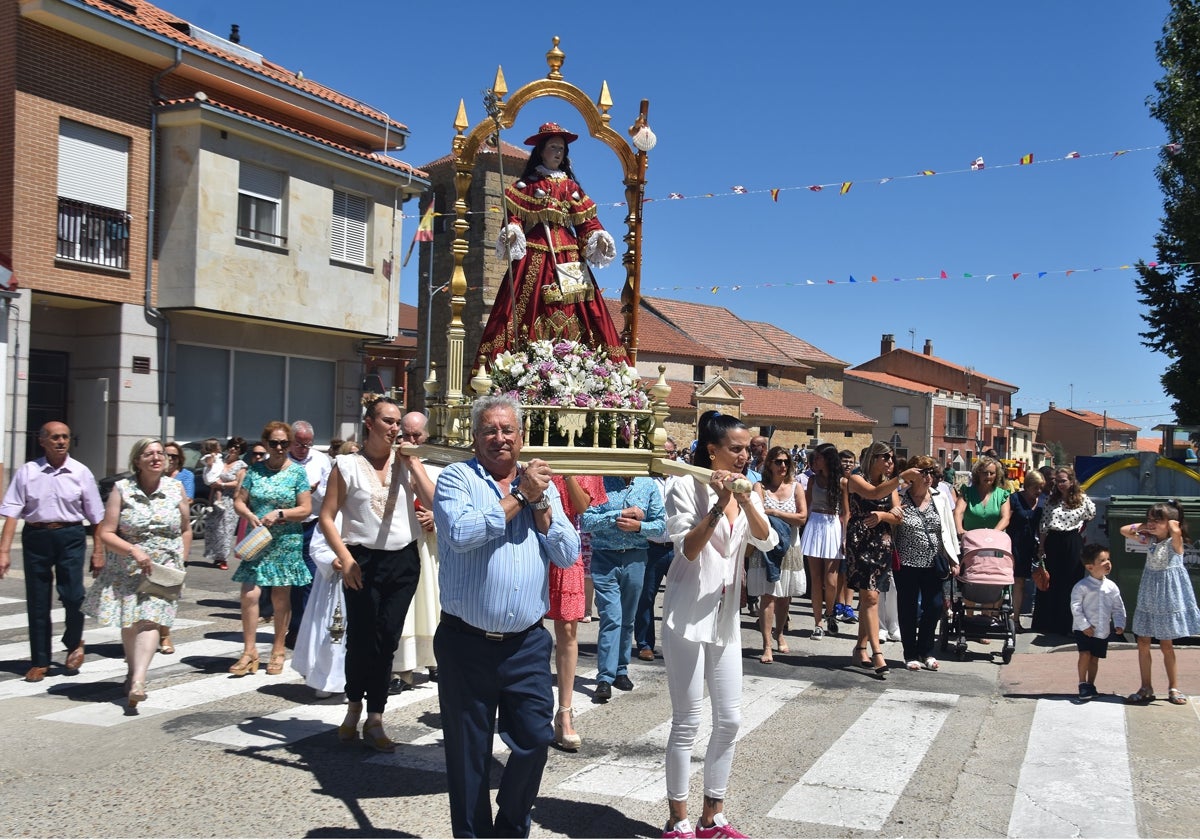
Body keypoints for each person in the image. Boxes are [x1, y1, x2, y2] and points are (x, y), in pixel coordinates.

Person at [432, 394, 579, 838]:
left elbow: (568, 552)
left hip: (526, 643)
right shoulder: (456, 479)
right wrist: (520, 495)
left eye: (507, 430)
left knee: (536, 738)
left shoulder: (540, 485)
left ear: (520, 436)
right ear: (475, 437)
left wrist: (539, 505)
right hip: (466, 642)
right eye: (490, 430)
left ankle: (511, 825)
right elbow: (462, 533)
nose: (500, 438)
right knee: (469, 755)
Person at [660, 410, 777, 840]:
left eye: (748, 448)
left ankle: (714, 816)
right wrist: (716, 504)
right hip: (687, 614)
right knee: (687, 721)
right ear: (712, 450)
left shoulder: (750, 489)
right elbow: (688, 550)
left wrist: (744, 499)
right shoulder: (683, 485)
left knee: (729, 719)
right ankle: (678, 820)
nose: (747, 455)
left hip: (725, 617)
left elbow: (767, 539)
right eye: (737, 448)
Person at [319, 398, 433, 750]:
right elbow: (327, 517)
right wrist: (344, 558)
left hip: (402, 561)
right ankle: (354, 706)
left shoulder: (409, 463)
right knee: (362, 637)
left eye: (398, 422)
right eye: (388, 421)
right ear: (370, 423)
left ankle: (376, 717)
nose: (395, 428)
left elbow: (433, 501)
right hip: (362, 560)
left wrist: (412, 463)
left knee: (388, 637)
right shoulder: (347, 465)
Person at [476, 122, 625, 363]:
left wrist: (599, 239)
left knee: (581, 306)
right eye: (553, 147)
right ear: (541, 151)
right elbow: (513, 218)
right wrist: (512, 231)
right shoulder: (525, 186)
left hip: (570, 256)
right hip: (535, 253)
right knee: (525, 305)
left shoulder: (571, 187)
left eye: (562, 149)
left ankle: (580, 359)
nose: (558, 152)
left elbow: (587, 222)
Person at [84, 439, 191, 708]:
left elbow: (186, 528)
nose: (156, 458)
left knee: (151, 620)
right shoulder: (122, 489)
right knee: (131, 622)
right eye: (149, 454)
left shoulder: (175, 488)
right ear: (137, 461)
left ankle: (139, 680)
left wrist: (182, 561)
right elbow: (107, 532)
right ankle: (133, 670)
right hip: (128, 568)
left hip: (163, 570)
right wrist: (133, 550)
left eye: (160, 454)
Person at [0, 421, 105, 681]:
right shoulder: (28, 472)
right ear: (42, 440)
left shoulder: (81, 472)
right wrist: (3, 552)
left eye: (65, 437)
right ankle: (40, 661)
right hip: (36, 536)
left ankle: (73, 641)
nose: (61, 442)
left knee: (73, 595)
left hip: (70, 535)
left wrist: (99, 551)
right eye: (55, 437)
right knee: (37, 600)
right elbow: (12, 512)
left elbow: (96, 517)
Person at [230, 421, 313, 676]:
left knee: (280, 598)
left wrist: (280, 513)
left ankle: (278, 649)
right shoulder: (254, 471)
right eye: (274, 443)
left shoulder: (297, 473)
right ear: (265, 444)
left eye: (284, 443)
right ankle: (249, 651)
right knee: (250, 594)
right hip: (259, 539)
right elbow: (239, 502)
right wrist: (250, 515)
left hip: (285, 540)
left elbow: (305, 509)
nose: (279, 448)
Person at [581, 474, 666, 701]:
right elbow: (587, 521)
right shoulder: (599, 482)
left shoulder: (648, 485)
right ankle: (605, 678)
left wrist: (639, 526)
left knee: (628, 618)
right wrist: (617, 515)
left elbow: (659, 525)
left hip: (635, 558)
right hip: (605, 558)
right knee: (612, 617)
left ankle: (621, 669)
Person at [844, 442, 920, 679]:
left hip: (882, 541)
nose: (889, 461)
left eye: (891, 458)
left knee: (870, 597)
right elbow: (873, 493)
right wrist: (900, 479)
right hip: (861, 540)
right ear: (873, 458)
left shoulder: (890, 485)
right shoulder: (856, 478)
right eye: (885, 457)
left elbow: (899, 516)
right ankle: (877, 652)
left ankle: (860, 647)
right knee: (870, 596)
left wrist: (882, 515)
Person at [545, 472, 605, 749]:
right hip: (530, 537)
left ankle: (564, 713)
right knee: (522, 624)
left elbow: (583, 506)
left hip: (565, 542)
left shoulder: (585, 464)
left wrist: (568, 472)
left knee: (568, 628)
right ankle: (523, 704)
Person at [1119, 501, 1200, 705]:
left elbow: (1177, 534)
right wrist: (1145, 526)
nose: (1152, 523)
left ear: (1171, 523)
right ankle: (1146, 686)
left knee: (1166, 644)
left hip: (1167, 596)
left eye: (1158, 520)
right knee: (1143, 641)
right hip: (1149, 593)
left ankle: (1173, 687)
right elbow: (1124, 530)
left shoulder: (1175, 542)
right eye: (1150, 519)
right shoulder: (1150, 540)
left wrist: (1174, 526)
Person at [390, 411, 443, 694]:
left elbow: (449, 508)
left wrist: (435, 518)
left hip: (429, 548)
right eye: (406, 435)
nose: (410, 440)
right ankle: (402, 670)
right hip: (401, 545)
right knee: (405, 609)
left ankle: (435, 660)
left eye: (416, 435)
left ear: (427, 435)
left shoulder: (438, 467)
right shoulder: (390, 466)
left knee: (431, 605)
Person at [892, 455, 960, 671]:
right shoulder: (900, 497)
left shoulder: (940, 497)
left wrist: (953, 558)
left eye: (932, 472)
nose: (929, 477)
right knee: (908, 609)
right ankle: (910, 653)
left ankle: (926, 650)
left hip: (933, 563)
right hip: (907, 563)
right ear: (913, 475)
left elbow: (948, 530)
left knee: (935, 606)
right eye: (924, 472)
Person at [748, 446, 808, 663]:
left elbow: (802, 518)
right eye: (778, 462)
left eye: (786, 462)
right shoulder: (760, 487)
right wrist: (779, 516)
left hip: (790, 545)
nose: (782, 465)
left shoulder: (796, 487)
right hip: (767, 546)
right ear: (769, 464)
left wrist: (774, 512)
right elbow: (756, 514)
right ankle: (766, 645)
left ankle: (780, 633)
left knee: (785, 597)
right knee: (768, 595)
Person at [1031, 466, 1095, 637]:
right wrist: (1042, 547)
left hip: (1072, 541)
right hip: (1053, 541)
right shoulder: (1051, 500)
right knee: (1051, 583)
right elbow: (1044, 525)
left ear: (1072, 481)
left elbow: (1091, 515)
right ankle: (1048, 623)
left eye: (1063, 481)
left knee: (1071, 583)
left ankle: (1068, 624)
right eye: (1057, 481)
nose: (1059, 484)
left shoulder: (1082, 499)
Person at [286, 419, 333, 649]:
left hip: (312, 525)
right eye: (299, 444)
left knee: (310, 579)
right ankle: (293, 627)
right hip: (287, 527)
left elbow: (329, 492)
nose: (303, 449)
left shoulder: (321, 460)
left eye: (307, 444)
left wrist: (313, 492)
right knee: (290, 583)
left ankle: (303, 629)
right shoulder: (281, 460)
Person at [635, 438, 678, 662]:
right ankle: (645, 643)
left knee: (680, 596)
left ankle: (677, 642)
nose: (668, 458)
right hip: (651, 546)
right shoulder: (644, 480)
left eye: (672, 453)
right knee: (646, 597)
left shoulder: (682, 479)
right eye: (664, 453)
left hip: (677, 546)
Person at [1069, 544, 1127, 701]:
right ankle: (1082, 683)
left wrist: (1119, 623)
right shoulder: (1082, 586)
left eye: (1108, 559)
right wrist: (1084, 625)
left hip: (1102, 630)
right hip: (1084, 629)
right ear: (1090, 567)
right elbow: (1076, 608)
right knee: (1085, 654)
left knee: (1094, 658)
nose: (1107, 563)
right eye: (1102, 561)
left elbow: (1118, 607)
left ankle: (1091, 684)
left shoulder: (1111, 587)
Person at [800, 443, 845, 640]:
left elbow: (846, 512)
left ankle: (830, 613)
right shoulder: (812, 481)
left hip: (833, 525)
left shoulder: (842, 482)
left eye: (818, 457)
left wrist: (844, 536)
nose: (814, 461)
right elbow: (807, 506)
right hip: (815, 524)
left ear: (827, 459)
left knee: (831, 580)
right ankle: (817, 622)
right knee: (816, 579)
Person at [1004, 470, 1046, 631]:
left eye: (1041, 488)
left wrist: (1041, 546)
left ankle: (1015, 618)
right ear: (1027, 486)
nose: (1039, 491)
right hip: (1012, 544)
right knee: (1005, 581)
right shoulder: (1015, 499)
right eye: (1036, 487)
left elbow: (1042, 527)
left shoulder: (1041, 502)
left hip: (1028, 546)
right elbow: (1007, 519)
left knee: (1020, 582)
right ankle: (998, 615)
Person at [203, 436, 246, 571]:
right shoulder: (221, 460)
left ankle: (224, 558)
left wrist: (222, 484)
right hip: (215, 498)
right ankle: (216, 555)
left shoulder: (241, 465)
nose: (233, 449)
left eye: (237, 447)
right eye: (232, 446)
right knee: (214, 528)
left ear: (241, 450)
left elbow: (238, 482)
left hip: (229, 500)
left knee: (226, 529)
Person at [954, 456, 1011, 535]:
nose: (988, 476)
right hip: (971, 539)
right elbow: (958, 512)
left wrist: (993, 533)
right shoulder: (967, 492)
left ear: (996, 475)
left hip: (994, 539)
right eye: (985, 473)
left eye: (992, 473)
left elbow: (1005, 518)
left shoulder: (1002, 495)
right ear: (978, 473)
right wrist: (960, 529)